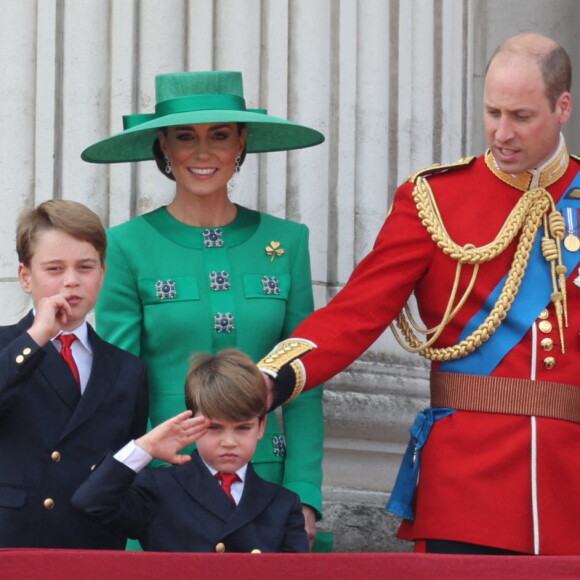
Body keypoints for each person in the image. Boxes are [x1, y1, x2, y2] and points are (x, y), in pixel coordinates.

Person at [259, 33, 580, 555]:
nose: (501, 133)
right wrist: (272, 377)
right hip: (467, 489)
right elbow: (357, 312)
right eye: (492, 112)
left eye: (522, 116)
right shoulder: (436, 198)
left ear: (562, 106)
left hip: (571, 488)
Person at [81, 71, 328, 550]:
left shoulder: (289, 242)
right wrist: (127, 478)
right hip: (163, 483)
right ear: (163, 146)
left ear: (241, 143)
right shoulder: (127, 246)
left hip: (265, 483)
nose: (202, 153)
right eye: (185, 137)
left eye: (219, 136)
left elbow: (304, 378)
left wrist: (304, 492)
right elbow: (118, 389)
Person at [0, 200, 148, 549]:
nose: (71, 281)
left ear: (102, 275)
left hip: (90, 543)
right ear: (25, 276)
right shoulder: (8, 346)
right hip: (11, 540)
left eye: (85, 267)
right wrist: (37, 337)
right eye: (54, 269)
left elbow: (127, 465)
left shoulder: (127, 368)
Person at [72, 349, 308, 553]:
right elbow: (91, 502)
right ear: (190, 422)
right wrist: (144, 448)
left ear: (261, 426)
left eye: (242, 428)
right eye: (214, 427)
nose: (229, 441)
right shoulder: (160, 488)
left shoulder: (282, 504)